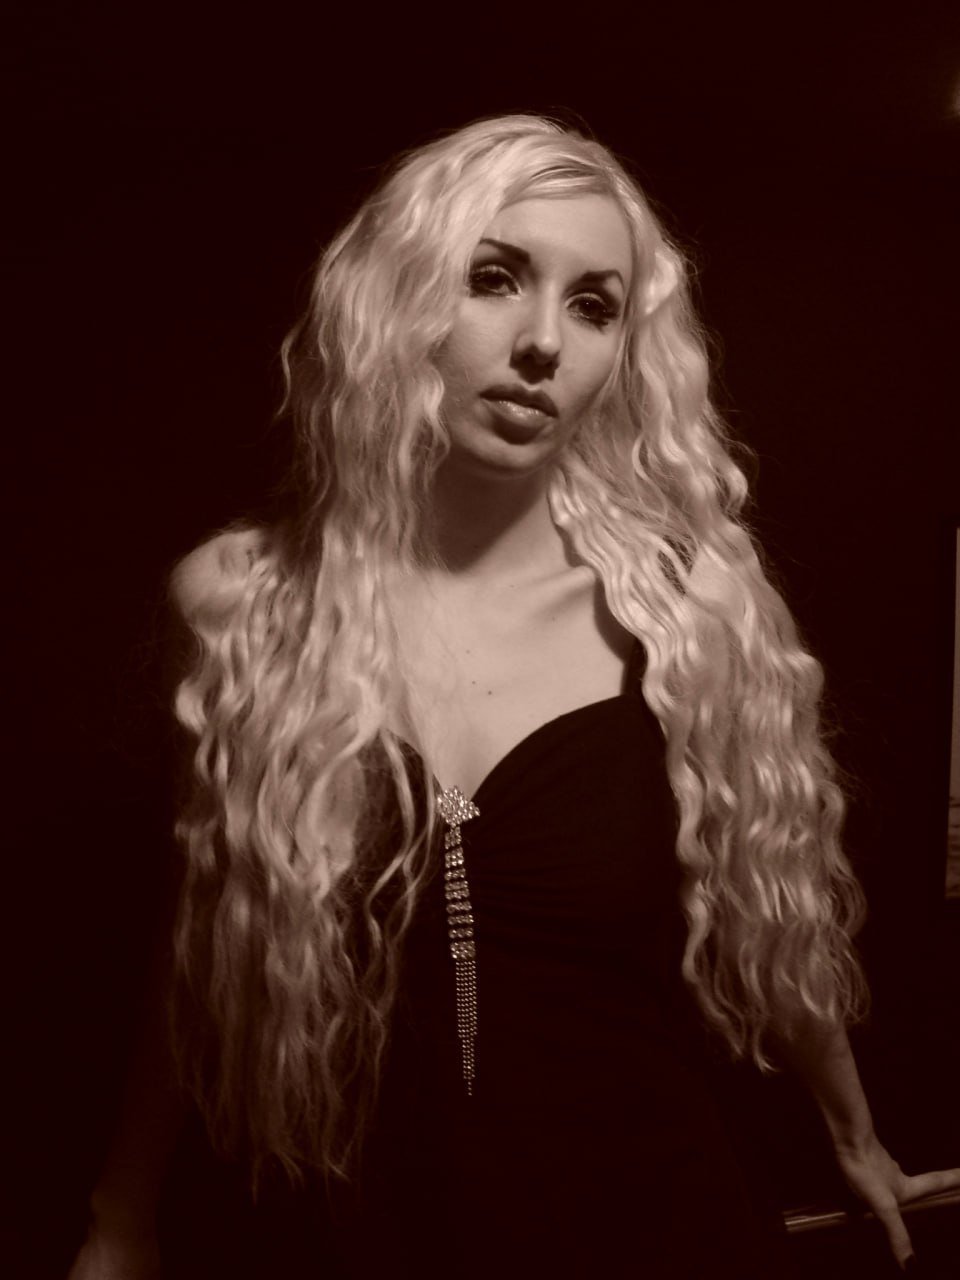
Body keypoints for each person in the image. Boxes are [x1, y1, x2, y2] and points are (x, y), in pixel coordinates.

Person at [68, 113, 960, 1279]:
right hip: (358, 1233)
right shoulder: (245, 602)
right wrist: (122, 1214)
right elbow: (206, 940)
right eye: (493, 278)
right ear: (397, 299)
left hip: (649, 1223)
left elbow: (772, 905)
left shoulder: (688, 608)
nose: (543, 342)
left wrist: (853, 1131)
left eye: (594, 306)